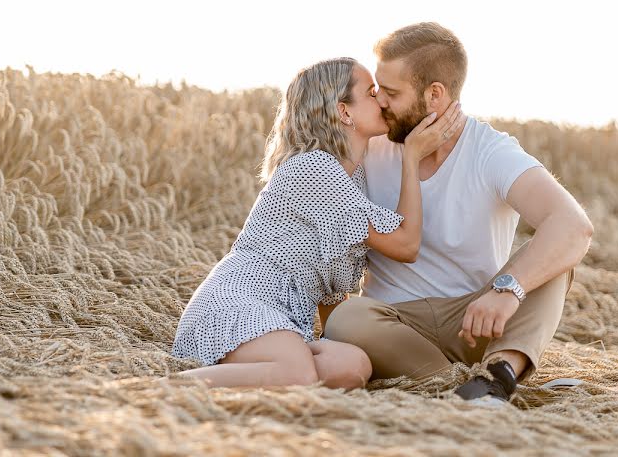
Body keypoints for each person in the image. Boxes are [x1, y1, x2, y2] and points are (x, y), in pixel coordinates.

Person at [323, 22, 594, 404]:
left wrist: (507, 290)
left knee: (556, 263)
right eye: (377, 89)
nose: (379, 100)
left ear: (435, 94)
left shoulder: (490, 151)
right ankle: (478, 386)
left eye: (391, 92)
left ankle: (497, 371)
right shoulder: (371, 143)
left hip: (476, 322)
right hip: (392, 324)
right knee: (346, 320)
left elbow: (574, 226)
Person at [170, 57, 465, 389]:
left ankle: (268, 377)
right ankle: (160, 389)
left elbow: (330, 295)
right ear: (344, 112)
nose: (382, 99)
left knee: (352, 365)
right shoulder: (314, 167)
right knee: (298, 374)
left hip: (284, 324)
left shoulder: (355, 180)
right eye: (371, 92)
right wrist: (412, 158)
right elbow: (405, 244)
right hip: (237, 304)